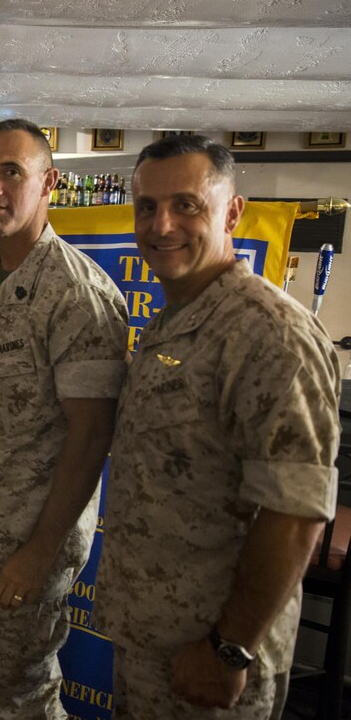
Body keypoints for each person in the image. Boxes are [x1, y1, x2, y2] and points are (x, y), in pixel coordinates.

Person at [98, 134, 342, 718]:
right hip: (151, 636)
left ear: (232, 211)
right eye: (147, 207)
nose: (162, 225)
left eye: (186, 205)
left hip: (211, 651)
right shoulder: (172, 322)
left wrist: (228, 649)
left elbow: (296, 514)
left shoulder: (268, 332)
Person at [0, 119, 128, 718]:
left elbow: (92, 434)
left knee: (20, 697)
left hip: (23, 544)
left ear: (50, 183)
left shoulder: (75, 293)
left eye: (11, 172)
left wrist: (41, 551)